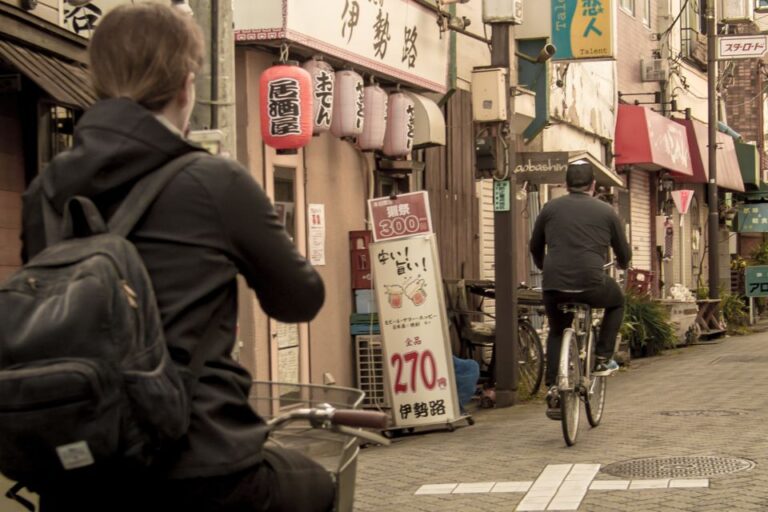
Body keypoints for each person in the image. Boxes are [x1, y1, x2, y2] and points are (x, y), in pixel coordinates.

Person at [19, 4, 333, 511]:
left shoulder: (45, 191)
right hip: (201, 464)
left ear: (96, 79)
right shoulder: (214, 183)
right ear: (187, 85)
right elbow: (300, 299)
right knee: (317, 487)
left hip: (82, 465)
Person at [529, 161, 631, 420]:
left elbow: (534, 245)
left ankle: (553, 386)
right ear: (593, 185)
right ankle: (602, 357)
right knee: (617, 302)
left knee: (556, 330)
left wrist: (545, 267)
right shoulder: (606, 211)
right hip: (591, 283)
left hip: (554, 284)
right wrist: (622, 263)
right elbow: (623, 251)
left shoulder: (550, 208)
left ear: (565, 184)